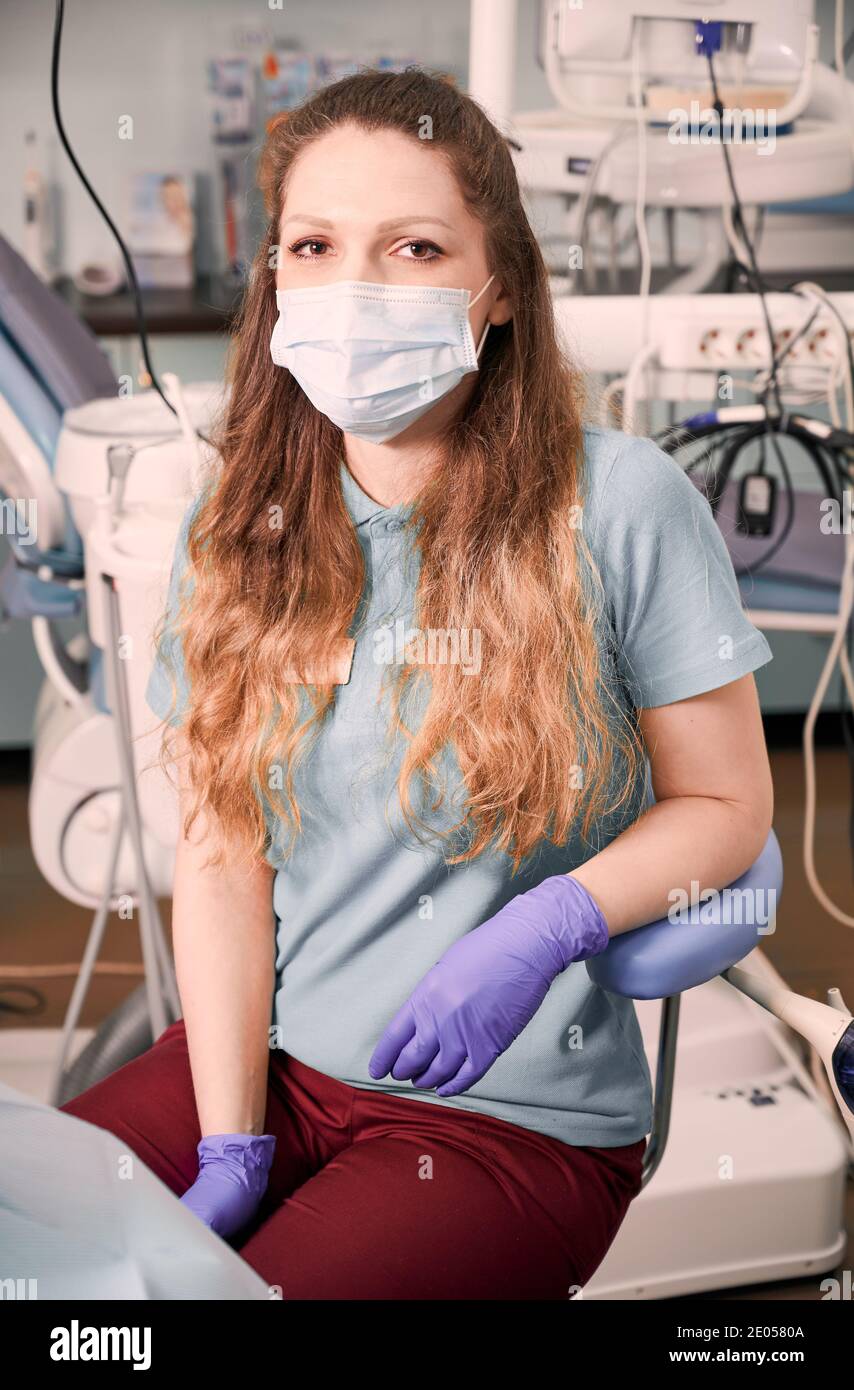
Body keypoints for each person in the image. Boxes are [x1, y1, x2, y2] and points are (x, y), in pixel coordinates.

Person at [62, 68, 774, 1301]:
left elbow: (725, 808)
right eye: (315, 245)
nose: (355, 287)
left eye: (414, 246)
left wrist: (544, 924)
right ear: (275, 283)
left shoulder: (618, 507)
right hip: (273, 1068)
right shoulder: (235, 534)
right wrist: (233, 1135)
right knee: (42, 1249)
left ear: (495, 288)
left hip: (504, 1119)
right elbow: (224, 857)